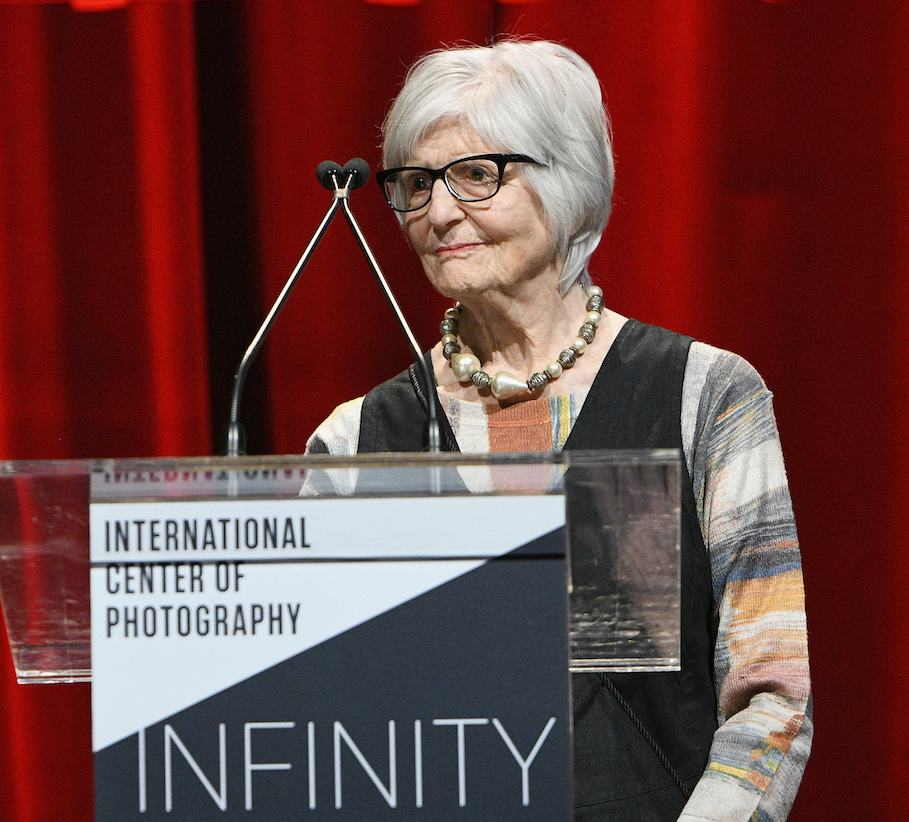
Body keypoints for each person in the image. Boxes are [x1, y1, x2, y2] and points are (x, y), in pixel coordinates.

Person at [306, 40, 811, 821]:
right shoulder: (355, 442)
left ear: (566, 179)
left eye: (475, 175)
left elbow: (772, 698)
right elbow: (320, 713)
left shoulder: (706, 396)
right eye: (414, 184)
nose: (438, 213)